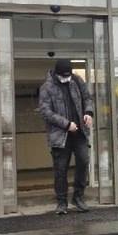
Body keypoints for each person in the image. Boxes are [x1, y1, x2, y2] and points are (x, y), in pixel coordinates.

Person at [38, 59, 94, 215]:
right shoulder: (47, 88)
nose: (66, 78)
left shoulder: (77, 80)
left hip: (79, 133)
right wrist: (66, 124)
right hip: (60, 135)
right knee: (60, 169)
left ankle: (78, 197)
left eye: (68, 75)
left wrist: (88, 113)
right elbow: (45, 111)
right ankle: (62, 202)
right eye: (63, 76)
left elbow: (87, 98)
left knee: (83, 161)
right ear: (57, 74)